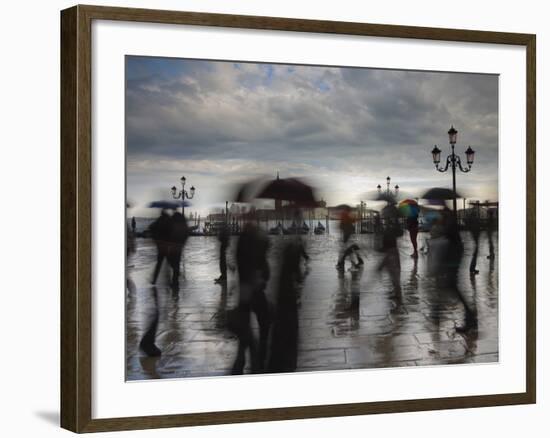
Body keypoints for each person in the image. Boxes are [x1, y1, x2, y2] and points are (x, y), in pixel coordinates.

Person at [231, 222, 271, 374]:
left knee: (245, 328)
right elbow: (265, 272)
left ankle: (241, 362)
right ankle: (258, 360)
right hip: (253, 292)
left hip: (245, 292)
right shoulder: (255, 249)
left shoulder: (243, 242)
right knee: (264, 325)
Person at [149, 210, 172, 284]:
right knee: (170, 263)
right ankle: (171, 279)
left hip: (160, 246)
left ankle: (154, 280)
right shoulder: (168, 221)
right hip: (167, 246)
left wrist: (155, 239)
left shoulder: (159, 221)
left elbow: (151, 227)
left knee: (159, 264)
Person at [167, 211, 189, 289]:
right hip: (179, 247)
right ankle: (175, 282)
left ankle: (175, 282)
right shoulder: (183, 225)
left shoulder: (175, 225)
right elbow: (186, 234)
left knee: (171, 262)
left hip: (174, 247)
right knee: (176, 263)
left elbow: (171, 235)